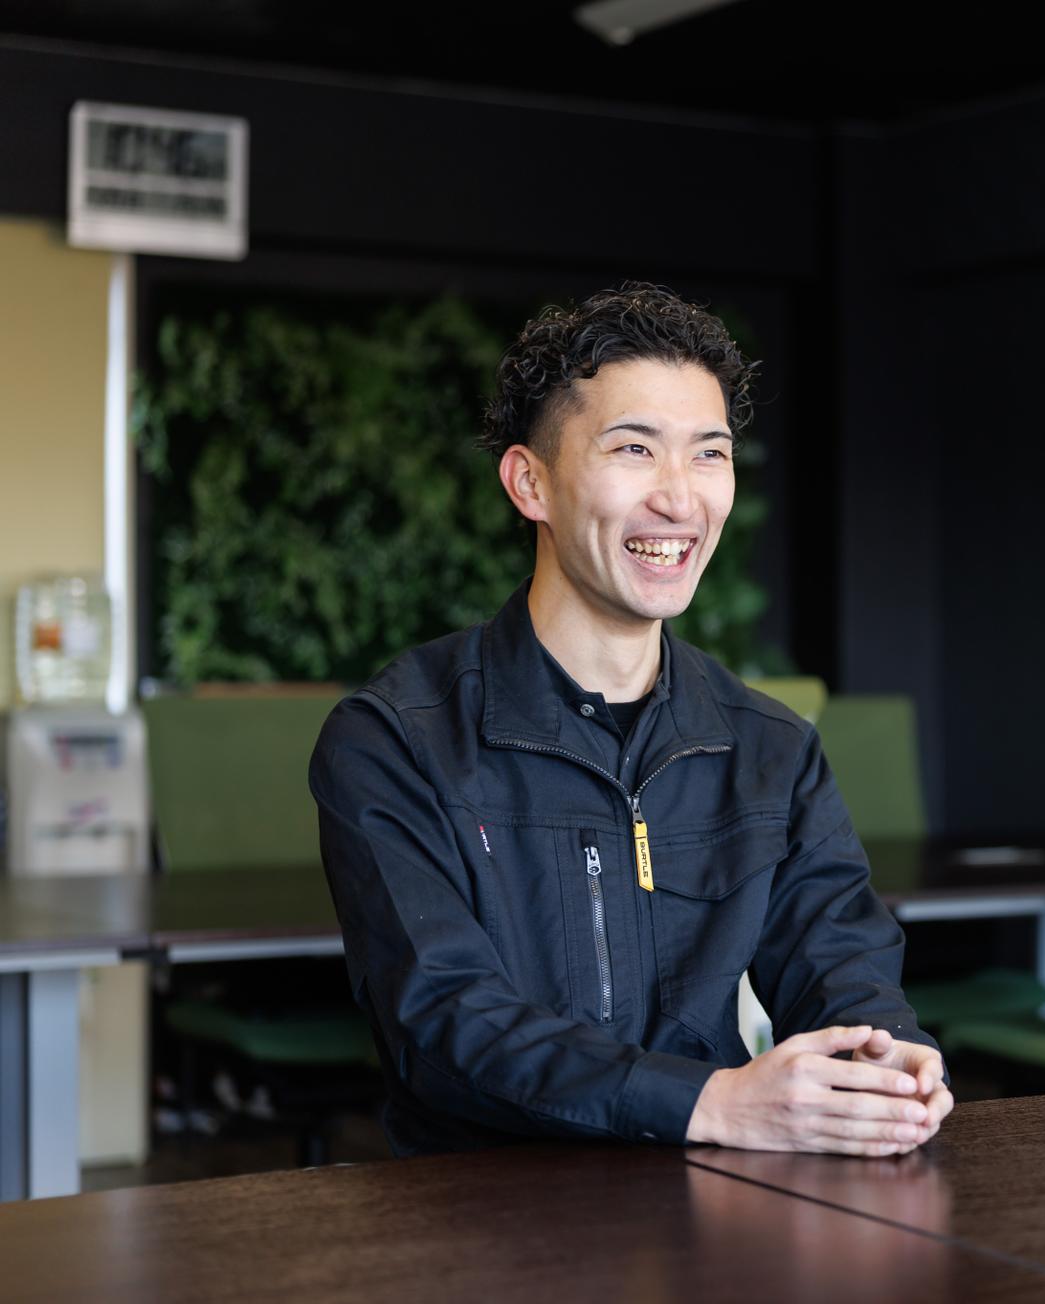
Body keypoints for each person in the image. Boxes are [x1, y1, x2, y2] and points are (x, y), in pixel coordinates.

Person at [310, 283, 951, 1155]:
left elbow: (841, 967)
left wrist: (885, 1059)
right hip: (479, 1204)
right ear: (530, 482)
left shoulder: (769, 747)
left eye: (709, 454)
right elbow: (446, 1021)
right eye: (635, 449)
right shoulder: (397, 740)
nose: (680, 500)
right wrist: (712, 1103)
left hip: (718, 1193)